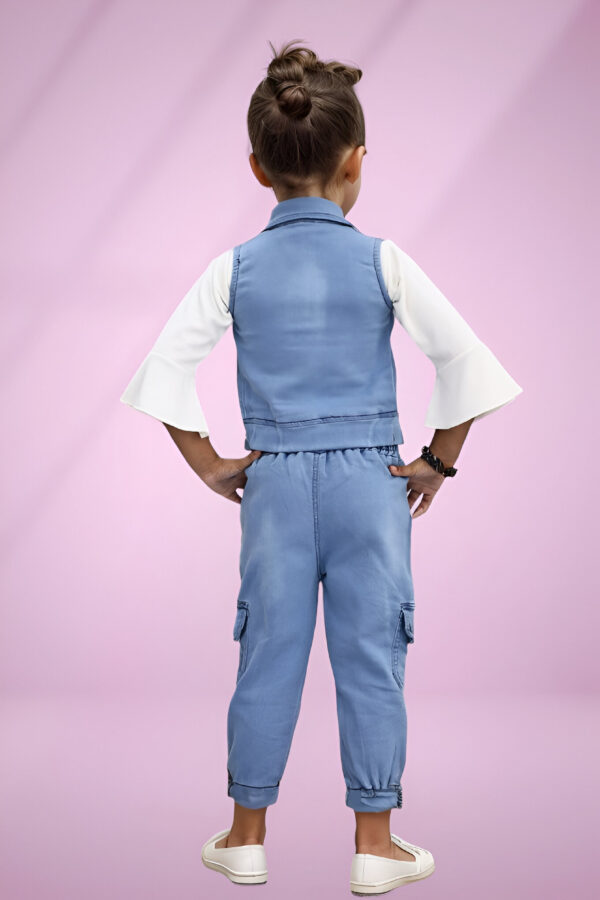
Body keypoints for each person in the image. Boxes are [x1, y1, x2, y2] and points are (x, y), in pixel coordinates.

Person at [120, 39, 523, 895]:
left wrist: (211, 466)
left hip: (270, 484)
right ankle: (375, 846)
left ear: (258, 169)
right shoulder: (384, 260)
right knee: (372, 653)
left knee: (266, 651)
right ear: (356, 163)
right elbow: (468, 366)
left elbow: (163, 374)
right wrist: (436, 464)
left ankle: (245, 836)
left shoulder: (233, 269)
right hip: (371, 487)